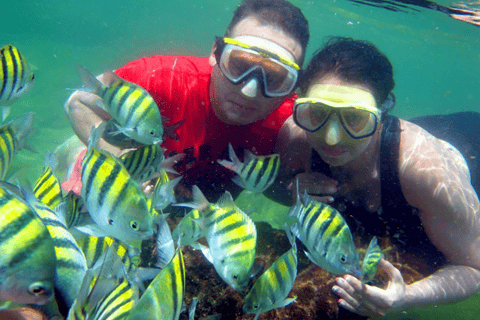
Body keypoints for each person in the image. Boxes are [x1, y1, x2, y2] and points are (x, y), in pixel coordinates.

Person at [274, 36, 480, 317]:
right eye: (318, 112)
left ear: (383, 112)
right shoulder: (296, 137)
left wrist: (406, 296)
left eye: (355, 117)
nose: (331, 138)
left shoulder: (424, 173)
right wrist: (290, 189)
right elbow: (273, 187)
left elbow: (473, 267)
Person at [63, 0, 309, 202]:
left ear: (293, 87)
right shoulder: (165, 78)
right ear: (215, 53)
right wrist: (124, 160)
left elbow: (277, 187)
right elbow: (78, 102)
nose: (249, 90)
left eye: (276, 78)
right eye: (239, 64)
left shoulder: (291, 124)